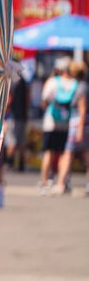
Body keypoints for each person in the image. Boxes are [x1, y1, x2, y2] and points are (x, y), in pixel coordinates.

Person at [38, 56, 78, 191]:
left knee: (49, 152)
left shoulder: (53, 82)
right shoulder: (74, 83)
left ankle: (44, 182)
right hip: (67, 122)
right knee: (62, 153)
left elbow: (43, 100)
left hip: (51, 122)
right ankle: (61, 182)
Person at [53, 60, 88, 194]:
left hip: (78, 124)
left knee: (68, 153)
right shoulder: (82, 85)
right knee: (84, 155)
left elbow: (83, 109)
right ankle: (63, 182)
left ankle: (61, 183)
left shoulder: (81, 88)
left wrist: (79, 130)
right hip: (81, 124)